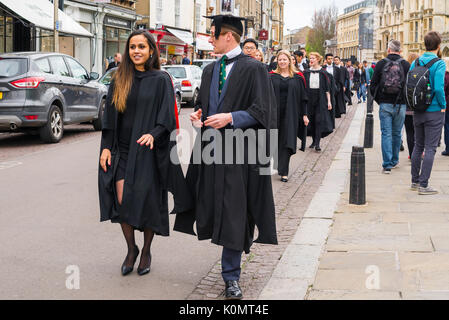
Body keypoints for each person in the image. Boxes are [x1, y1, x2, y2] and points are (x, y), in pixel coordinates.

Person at [174, 14, 278, 300]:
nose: (210, 38)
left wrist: (232, 117)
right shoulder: (209, 70)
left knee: (235, 211)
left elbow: (264, 110)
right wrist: (199, 114)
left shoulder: (254, 69)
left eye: (213, 34)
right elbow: (204, 105)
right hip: (210, 150)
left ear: (227, 36)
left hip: (240, 150)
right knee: (209, 203)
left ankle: (231, 276)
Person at [98, 30, 190, 277]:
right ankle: (131, 249)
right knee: (123, 201)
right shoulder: (119, 78)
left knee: (149, 204)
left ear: (151, 50)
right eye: (132, 47)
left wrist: (154, 133)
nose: (136, 51)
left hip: (149, 151)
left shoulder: (161, 79)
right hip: (124, 150)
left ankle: (147, 250)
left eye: (141, 46)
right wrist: (106, 148)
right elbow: (110, 118)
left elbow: (168, 116)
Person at [409, 31, 446, 194]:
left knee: (418, 145)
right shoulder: (439, 63)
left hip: (417, 109)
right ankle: (424, 185)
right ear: (439, 46)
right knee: (430, 148)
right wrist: (443, 104)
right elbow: (438, 87)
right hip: (434, 110)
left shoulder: (416, 61)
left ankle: (415, 182)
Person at [370, 40, 410, 174]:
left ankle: (387, 165)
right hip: (401, 104)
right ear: (400, 50)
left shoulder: (381, 64)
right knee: (397, 133)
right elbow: (409, 86)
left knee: (386, 133)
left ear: (388, 50)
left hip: (385, 103)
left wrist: (380, 100)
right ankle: (394, 160)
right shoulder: (406, 65)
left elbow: (373, 86)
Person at [269, 50, 309, 182]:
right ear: (277, 61)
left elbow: (303, 98)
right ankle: (276, 165)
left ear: (290, 61)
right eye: (280, 60)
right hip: (274, 114)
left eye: (284, 60)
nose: (282, 62)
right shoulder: (271, 76)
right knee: (274, 139)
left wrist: (304, 115)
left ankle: (284, 171)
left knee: (287, 140)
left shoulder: (298, 77)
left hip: (291, 114)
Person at [303, 52, 333, 152]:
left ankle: (318, 143)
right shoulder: (306, 72)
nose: (311, 60)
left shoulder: (323, 73)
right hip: (309, 98)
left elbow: (327, 89)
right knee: (311, 120)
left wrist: (329, 102)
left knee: (318, 120)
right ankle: (313, 140)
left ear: (318, 60)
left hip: (320, 98)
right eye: (310, 58)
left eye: (313, 58)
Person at [404, 52, 419, 159]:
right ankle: (418, 152)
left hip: (406, 108)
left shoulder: (405, 72)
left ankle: (411, 154)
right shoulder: (420, 72)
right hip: (419, 108)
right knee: (418, 133)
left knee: (409, 132)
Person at [443, 57, 449, 156]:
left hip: (447, 104)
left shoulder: (446, 75)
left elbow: (443, 88)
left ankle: (448, 148)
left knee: (447, 126)